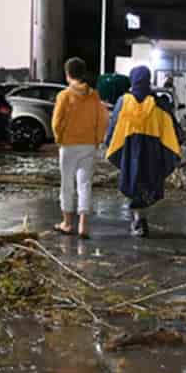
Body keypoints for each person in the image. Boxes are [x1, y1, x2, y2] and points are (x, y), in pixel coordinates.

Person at [106, 65, 181, 237]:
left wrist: (109, 142)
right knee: (148, 183)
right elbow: (172, 129)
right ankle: (140, 218)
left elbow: (113, 126)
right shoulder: (159, 104)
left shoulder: (123, 102)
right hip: (153, 152)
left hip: (129, 151)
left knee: (132, 181)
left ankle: (138, 219)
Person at [51, 58, 108, 238]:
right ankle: (83, 225)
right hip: (89, 145)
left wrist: (59, 138)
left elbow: (56, 122)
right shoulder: (94, 95)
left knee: (67, 184)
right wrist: (97, 140)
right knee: (85, 185)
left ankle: (67, 223)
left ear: (68, 75)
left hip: (68, 145)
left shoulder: (64, 96)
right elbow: (102, 120)